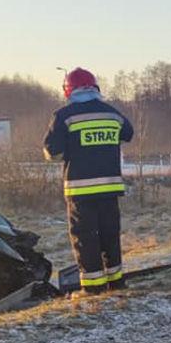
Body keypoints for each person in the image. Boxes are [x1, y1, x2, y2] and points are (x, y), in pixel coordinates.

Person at [43, 68, 134, 295]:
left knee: (85, 238)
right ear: (95, 88)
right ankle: (116, 283)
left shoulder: (64, 116)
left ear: (68, 91)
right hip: (110, 188)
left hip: (80, 190)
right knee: (110, 235)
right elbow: (128, 134)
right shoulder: (112, 113)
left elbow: (52, 152)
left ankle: (93, 289)